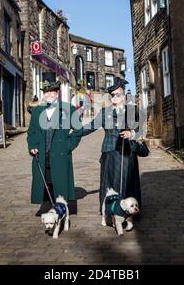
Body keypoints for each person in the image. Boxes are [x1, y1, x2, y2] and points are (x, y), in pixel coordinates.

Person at [72, 77, 144, 215]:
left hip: (127, 152)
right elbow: (91, 126)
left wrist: (132, 133)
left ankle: (130, 211)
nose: (115, 97)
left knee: (128, 182)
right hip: (109, 151)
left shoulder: (132, 110)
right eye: (112, 95)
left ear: (124, 95)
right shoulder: (105, 111)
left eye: (118, 94)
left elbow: (140, 130)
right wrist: (73, 133)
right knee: (110, 182)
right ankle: (111, 211)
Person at [27, 80, 82, 207]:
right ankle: (51, 211)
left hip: (60, 154)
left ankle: (61, 210)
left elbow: (78, 130)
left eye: (52, 91)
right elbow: (31, 132)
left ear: (57, 93)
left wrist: (68, 146)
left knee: (60, 184)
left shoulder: (68, 109)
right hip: (41, 154)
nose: (49, 94)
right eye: (46, 92)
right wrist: (32, 146)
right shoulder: (36, 111)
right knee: (45, 184)